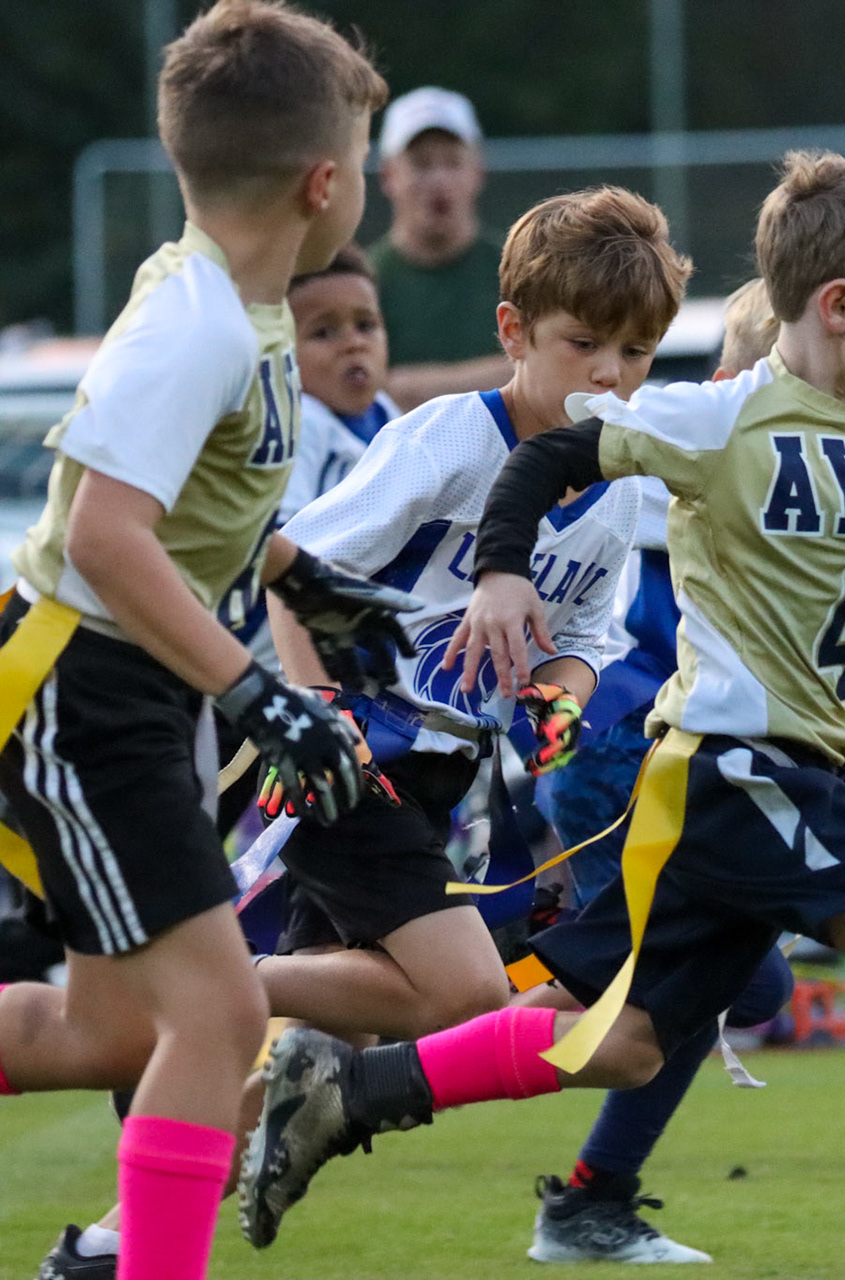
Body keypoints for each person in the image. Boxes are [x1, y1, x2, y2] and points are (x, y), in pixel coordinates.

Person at [240, 151, 845, 1280]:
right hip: (724, 767)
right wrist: (495, 577)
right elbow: (537, 461)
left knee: (628, 1042)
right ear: (838, 304)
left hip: (728, 768)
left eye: (635, 350)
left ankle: (354, 1092)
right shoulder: (715, 420)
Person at [0, 7, 395, 1280]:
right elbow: (106, 535)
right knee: (219, 1016)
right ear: (323, 183)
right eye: (365, 163)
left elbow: (192, 508)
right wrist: (260, 693)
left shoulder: (244, 306)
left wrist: (300, 575)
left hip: (131, 689)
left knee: (113, 1033)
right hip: (82, 685)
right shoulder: (201, 323)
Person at [521, 275, 845, 1266]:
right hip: (636, 754)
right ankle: (400, 1054)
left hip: (658, 752)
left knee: (702, 992)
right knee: (697, 991)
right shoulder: (703, 460)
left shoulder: (760, 465)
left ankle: (577, 1185)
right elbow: (680, 646)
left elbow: (753, 639)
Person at [252, 185, 686, 1049]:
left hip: (443, 778)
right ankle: (202, 983)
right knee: (467, 991)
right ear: (513, 332)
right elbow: (294, 567)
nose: (610, 373)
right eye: (584, 343)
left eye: (636, 350)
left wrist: (560, 701)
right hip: (352, 759)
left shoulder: (622, 490)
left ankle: (201, 1089)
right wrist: (317, 712)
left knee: (329, 1053)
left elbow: (587, 636)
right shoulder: (452, 439)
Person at [366, 86, 514, 409]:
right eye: (421, 164)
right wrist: (500, 378)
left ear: (478, 171)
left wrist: (406, 387)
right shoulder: (361, 283)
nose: (438, 179)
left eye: (452, 162)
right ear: (388, 175)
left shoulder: (519, 271)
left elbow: (550, 371)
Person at [283, 243, 401, 512]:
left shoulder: (386, 412)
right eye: (324, 332)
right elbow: (282, 528)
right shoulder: (298, 427)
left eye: (365, 325)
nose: (354, 343)